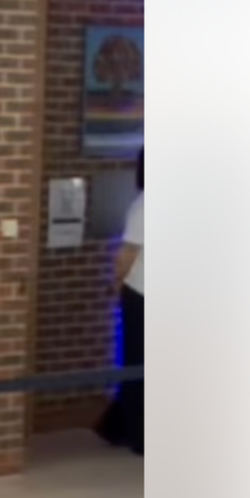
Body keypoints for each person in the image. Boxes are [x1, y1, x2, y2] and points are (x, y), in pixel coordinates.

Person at [98, 148, 144, 456]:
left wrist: (115, 285)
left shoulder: (145, 204)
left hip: (142, 293)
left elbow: (127, 253)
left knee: (136, 363)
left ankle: (136, 433)